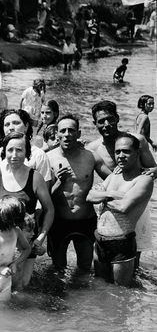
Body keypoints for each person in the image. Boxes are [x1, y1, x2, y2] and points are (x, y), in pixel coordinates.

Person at [0, 132, 54, 289]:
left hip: (25, 244)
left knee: (20, 287)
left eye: (19, 150)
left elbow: (49, 209)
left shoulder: (35, 177)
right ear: (4, 151)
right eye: (10, 150)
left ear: (27, 152)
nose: (14, 155)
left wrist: (41, 238)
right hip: (0, 242)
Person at [87, 100, 157, 266]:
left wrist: (143, 175)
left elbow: (154, 168)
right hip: (110, 204)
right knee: (105, 259)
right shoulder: (93, 148)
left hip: (135, 202)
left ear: (117, 118)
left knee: (133, 257)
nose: (106, 124)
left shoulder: (137, 140)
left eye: (110, 119)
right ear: (94, 124)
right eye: (101, 121)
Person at [87, 133, 154, 286]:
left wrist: (101, 195)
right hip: (100, 240)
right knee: (100, 286)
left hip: (121, 242)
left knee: (121, 292)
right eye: (117, 152)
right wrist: (111, 194)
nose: (121, 156)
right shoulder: (114, 176)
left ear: (137, 153)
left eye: (126, 151)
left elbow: (124, 207)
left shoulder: (144, 179)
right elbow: (89, 197)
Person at [47, 114, 102, 270]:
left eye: (71, 130)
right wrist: (59, 182)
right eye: (62, 130)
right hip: (58, 220)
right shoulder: (48, 158)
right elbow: (44, 197)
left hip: (85, 219)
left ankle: (83, 295)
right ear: (56, 134)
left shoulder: (90, 157)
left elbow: (114, 178)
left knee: (85, 268)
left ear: (78, 134)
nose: (67, 134)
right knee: (58, 268)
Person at [0, 109, 52, 184]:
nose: (11, 128)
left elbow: (45, 189)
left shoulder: (38, 155)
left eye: (16, 123)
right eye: (7, 124)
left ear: (26, 126)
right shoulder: (0, 152)